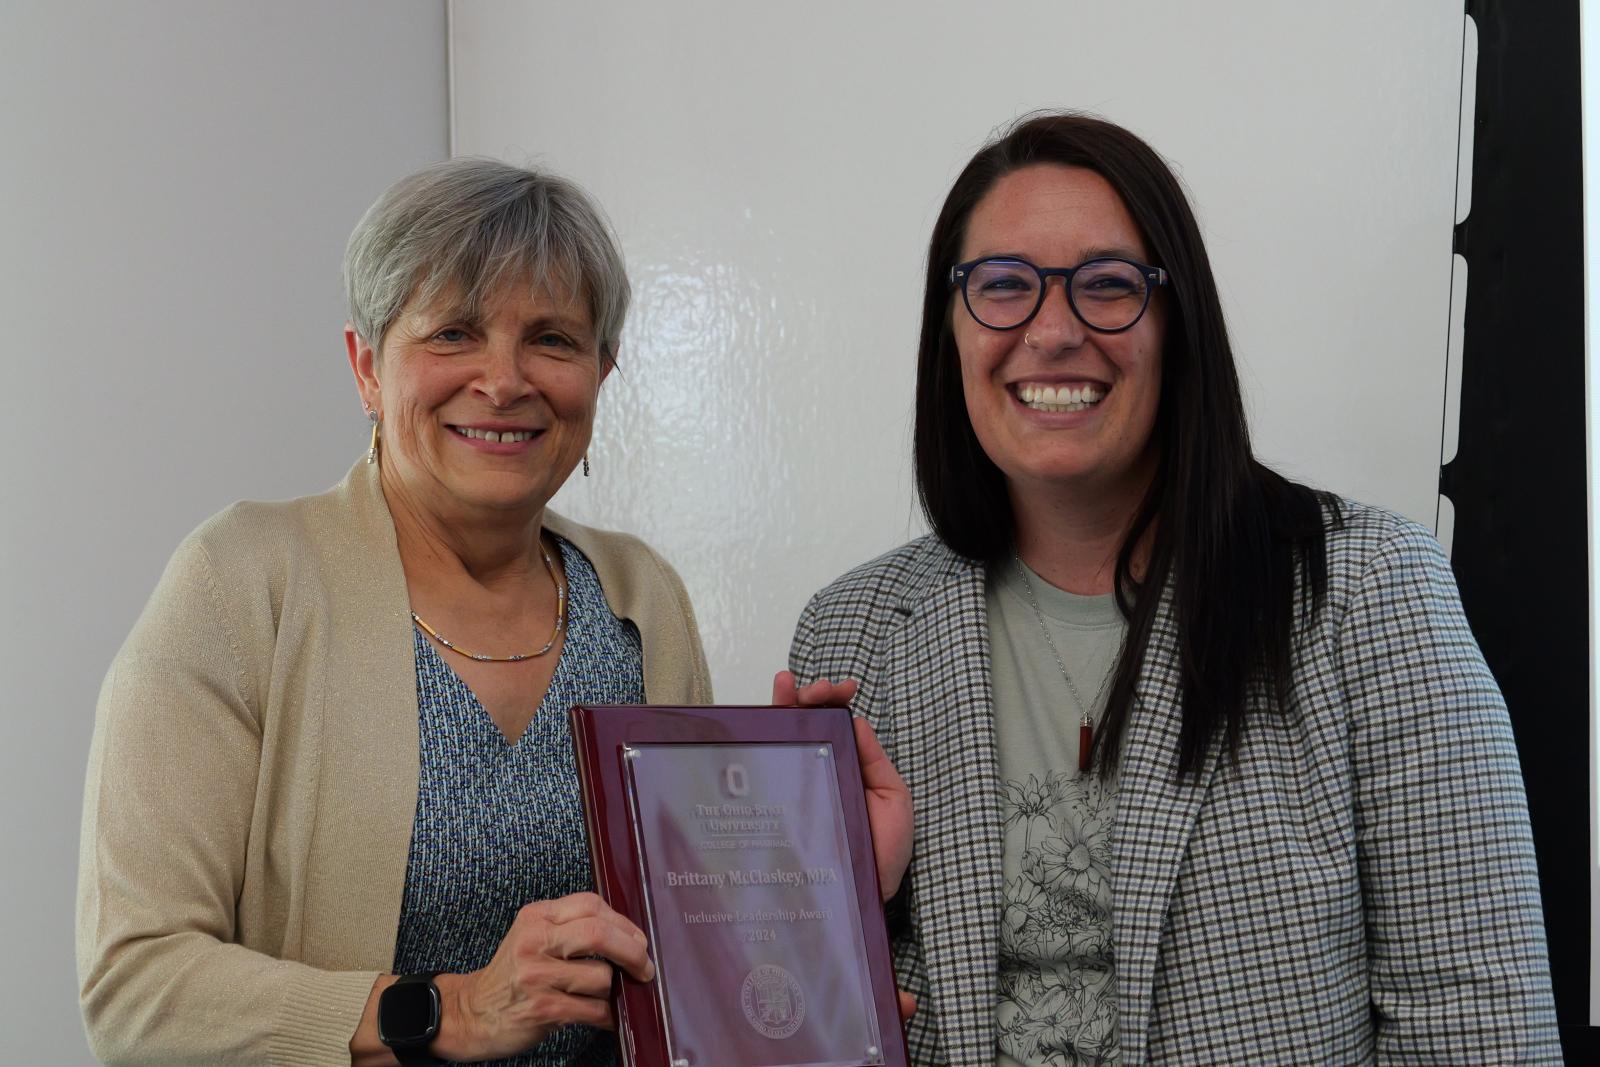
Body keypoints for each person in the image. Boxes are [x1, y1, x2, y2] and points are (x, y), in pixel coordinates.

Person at [785, 113, 1561, 1065]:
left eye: (1109, 285)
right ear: (950, 329)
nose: (1054, 330)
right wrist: (830, 905)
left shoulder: (1367, 594)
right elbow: (792, 1024)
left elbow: (1479, 1025)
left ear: (1178, 322)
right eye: (1002, 287)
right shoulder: (852, 635)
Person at [80, 158, 712, 1067]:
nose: (503, 380)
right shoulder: (242, 582)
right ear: (368, 366)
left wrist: (826, 871)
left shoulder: (642, 601)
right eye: (454, 333)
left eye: (553, 340)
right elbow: (134, 990)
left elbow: (687, 946)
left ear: (601, 372)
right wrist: (451, 1010)